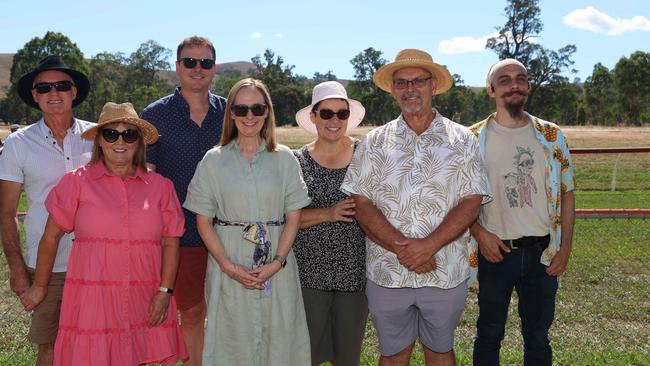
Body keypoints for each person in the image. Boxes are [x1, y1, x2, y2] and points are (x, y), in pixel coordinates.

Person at [340, 49, 491, 366]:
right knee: (393, 355)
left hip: (444, 270)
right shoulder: (374, 142)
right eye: (401, 83)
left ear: (432, 85)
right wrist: (405, 249)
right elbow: (361, 202)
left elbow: (472, 199)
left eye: (418, 81)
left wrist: (428, 246)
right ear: (393, 90)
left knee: (440, 352)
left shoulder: (462, 139)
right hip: (388, 273)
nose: (410, 89)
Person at [20, 102, 188, 366]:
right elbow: (50, 237)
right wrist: (40, 286)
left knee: (135, 355)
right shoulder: (76, 182)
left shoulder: (161, 187)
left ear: (139, 142)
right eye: (111, 133)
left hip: (143, 292)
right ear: (99, 140)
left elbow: (170, 242)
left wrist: (165, 291)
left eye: (129, 134)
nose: (120, 141)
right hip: (92, 296)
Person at [184, 78, 312, 365]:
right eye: (241, 109)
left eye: (256, 108)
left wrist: (277, 262)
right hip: (228, 258)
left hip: (277, 262)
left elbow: (294, 215)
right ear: (231, 113)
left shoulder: (285, 159)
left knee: (279, 335)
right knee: (231, 338)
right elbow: (203, 220)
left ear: (267, 112)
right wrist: (228, 267)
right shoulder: (213, 161)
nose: (249, 116)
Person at [469, 59, 576, 366]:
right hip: (495, 252)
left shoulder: (552, 136)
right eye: (504, 80)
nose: (513, 85)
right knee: (488, 333)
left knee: (539, 336)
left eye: (520, 79)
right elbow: (458, 197)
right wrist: (479, 233)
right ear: (491, 90)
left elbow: (567, 192)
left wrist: (565, 247)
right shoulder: (471, 139)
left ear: (529, 86)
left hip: (543, 252)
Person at [0, 55, 94, 366]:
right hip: (46, 267)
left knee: (98, 343)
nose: (54, 93)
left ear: (74, 92)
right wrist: (16, 270)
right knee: (51, 349)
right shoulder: (18, 144)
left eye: (62, 85)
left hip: (98, 263)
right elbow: (7, 214)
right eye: (45, 88)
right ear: (36, 96)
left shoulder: (102, 137)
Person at [141, 35, 226, 366]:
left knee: (226, 317)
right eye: (190, 62)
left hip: (230, 231)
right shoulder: (156, 115)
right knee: (190, 314)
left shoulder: (230, 114)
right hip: (180, 234)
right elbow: (145, 174)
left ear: (214, 69)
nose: (197, 69)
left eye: (205, 62)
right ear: (177, 67)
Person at [293, 81, 368, 366]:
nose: (334, 121)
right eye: (326, 113)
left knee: (348, 357)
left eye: (341, 113)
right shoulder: (297, 161)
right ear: (313, 117)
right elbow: (285, 218)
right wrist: (328, 213)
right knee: (306, 355)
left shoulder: (365, 155)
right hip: (308, 276)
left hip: (355, 275)